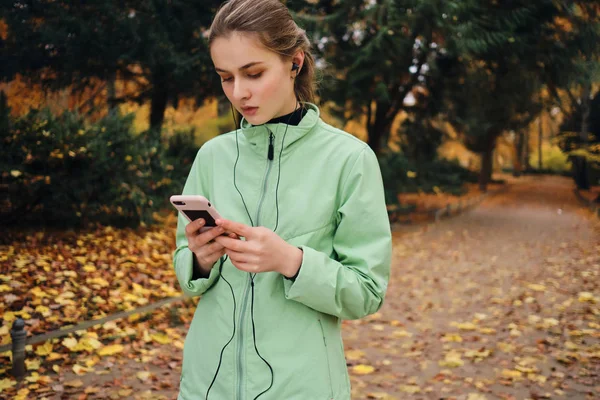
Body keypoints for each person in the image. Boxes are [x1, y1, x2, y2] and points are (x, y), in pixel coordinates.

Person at [172, 0, 392, 398]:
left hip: (302, 387)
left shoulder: (350, 160)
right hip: (207, 386)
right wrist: (201, 259)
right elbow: (186, 269)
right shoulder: (212, 157)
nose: (239, 92)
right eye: (225, 77)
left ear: (295, 62)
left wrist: (292, 262)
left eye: (253, 73)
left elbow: (366, 292)